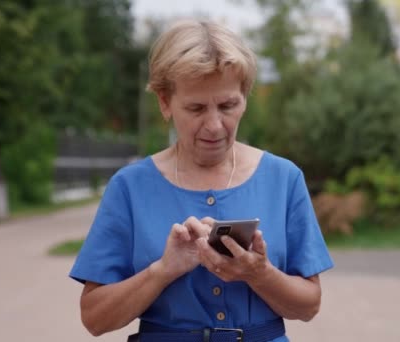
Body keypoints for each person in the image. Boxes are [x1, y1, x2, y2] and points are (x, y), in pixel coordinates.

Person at [69, 19, 334, 342]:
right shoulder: (130, 187)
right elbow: (95, 318)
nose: (215, 125)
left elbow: (309, 306)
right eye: (196, 108)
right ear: (165, 103)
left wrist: (258, 273)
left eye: (228, 105)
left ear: (245, 98)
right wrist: (162, 270)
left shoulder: (284, 179)